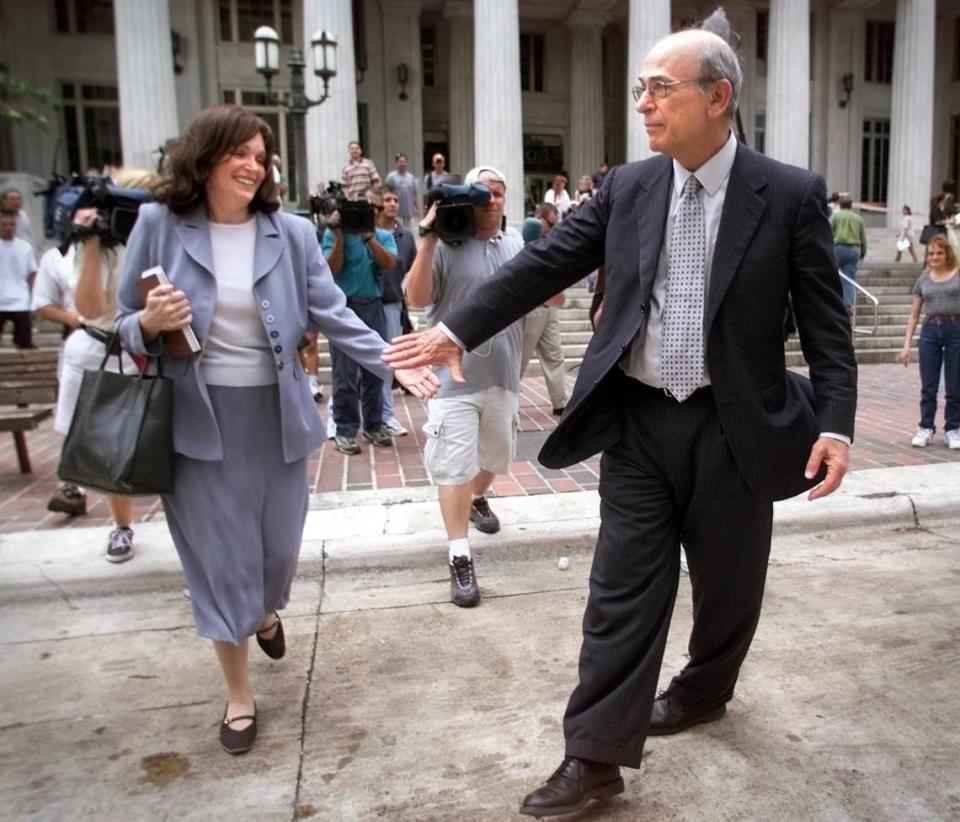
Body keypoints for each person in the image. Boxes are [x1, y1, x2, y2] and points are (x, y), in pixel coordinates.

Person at [384, 28, 856, 816]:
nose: (643, 103)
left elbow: (826, 326)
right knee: (620, 590)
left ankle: (705, 690)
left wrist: (836, 424)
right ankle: (594, 756)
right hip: (638, 422)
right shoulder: (630, 188)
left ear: (717, 96)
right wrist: (455, 328)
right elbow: (543, 265)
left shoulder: (789, 193)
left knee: (729, 583)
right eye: (641, 87)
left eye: (660, 87)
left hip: (737, 428)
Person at [115, 105, 437, 756]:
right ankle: (238, 694)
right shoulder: (159, 224)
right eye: (242, 153)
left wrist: (391, 360)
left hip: (279, 416)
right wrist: (147, 323)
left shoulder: (287, 233)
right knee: (218, 561)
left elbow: (335, 313)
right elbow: (120, 323)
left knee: (274, 554)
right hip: (196, 421)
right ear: (205, 157)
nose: (254, 166)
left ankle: (264, 609)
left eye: (262, 158)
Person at [404, 165, 524, 609]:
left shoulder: (515, 243)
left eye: (499, 192)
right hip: (451, 381)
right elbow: (415, 299)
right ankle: (459, 554)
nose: (492, 199)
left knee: (494, 459)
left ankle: (477, 499)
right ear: (469, 199)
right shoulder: (446, 244)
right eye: (483, 193)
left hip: (503, 375)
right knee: (454, 466)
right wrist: (428, 238)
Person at [54, 171, 153, 555]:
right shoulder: (103, 244)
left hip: (150, 349)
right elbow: (89, 307)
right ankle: (121, 525)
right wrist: (92, 240)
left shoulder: (160, 237)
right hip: (101, 350)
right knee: (110, 447)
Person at [322, 187, 398, 455]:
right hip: (344, 308)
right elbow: (329, 270)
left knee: (378, 369)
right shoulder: (333, 235)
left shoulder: (383, 236)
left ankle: (374, 425)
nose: (366, 215)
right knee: (344, 375)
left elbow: (390, 263)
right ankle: (344, 429)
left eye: (371, 210)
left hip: (373, 307)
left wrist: (368, 238)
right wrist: (341, 235)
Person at [31, 242, 87, 516]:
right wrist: (72, 318)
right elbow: (43, 303)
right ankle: (71, 486)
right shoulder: (57, 256)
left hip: (125, 341)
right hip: (80, 341)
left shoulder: (129, 241)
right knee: (73, 417)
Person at [899, 234, 960, 450]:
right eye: (931, 253)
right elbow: (914, 315)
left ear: (947, 254)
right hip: (930, 331)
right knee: (929, 386)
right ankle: (926, 427)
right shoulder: (923, 279)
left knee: (954, 384)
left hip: (956, 330)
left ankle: (953, 428)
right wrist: (906, 345)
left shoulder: (958, 274)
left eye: (939, 253)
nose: (934, 257)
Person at [376, 183, 416, 436]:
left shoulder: (406, 236)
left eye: (395, 200)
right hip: (363, 303)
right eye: (387, 199)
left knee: (388, 362)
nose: (392, 204)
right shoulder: (366, 231)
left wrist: (407, 302)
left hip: (392, 303)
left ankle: (387, 416)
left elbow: (412, 270)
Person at [519, 203, 567, 415]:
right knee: (520, 357)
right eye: (549, 222)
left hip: (550, 306)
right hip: (532, 306)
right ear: (539, 218)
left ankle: (560, 402)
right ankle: (507, 401)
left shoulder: (552, 240)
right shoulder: (528, 238)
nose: (552, 227)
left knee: (554, 355)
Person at [0, 209, 37, 349]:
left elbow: (32, 272)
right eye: (4, 224)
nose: (8, 227)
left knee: (24, 341)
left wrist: (35, 293)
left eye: (11, 224)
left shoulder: (25, 247)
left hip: (19, 297)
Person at [830, 195, 867, 308]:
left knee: (831, 274)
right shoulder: (858, 218)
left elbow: (828, 230)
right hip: (854, 249)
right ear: (851, 205)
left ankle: (832, 300)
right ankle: (846, 304)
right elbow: (863, 237)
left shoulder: (836, 216)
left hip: (838, 247)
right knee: (849, 278)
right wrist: (863, 252)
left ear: (840, 205)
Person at [384, 153, 420, 233]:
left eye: (404, 162)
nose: (402, 164)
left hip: (409, 211)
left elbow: (414, 194)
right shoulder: (391, 177)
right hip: (396, 212)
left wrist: (416, 208)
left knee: (409, 233)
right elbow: (386, 193)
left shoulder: (411, 177)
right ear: (396, 163)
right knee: (397, 233)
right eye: (400, 162)